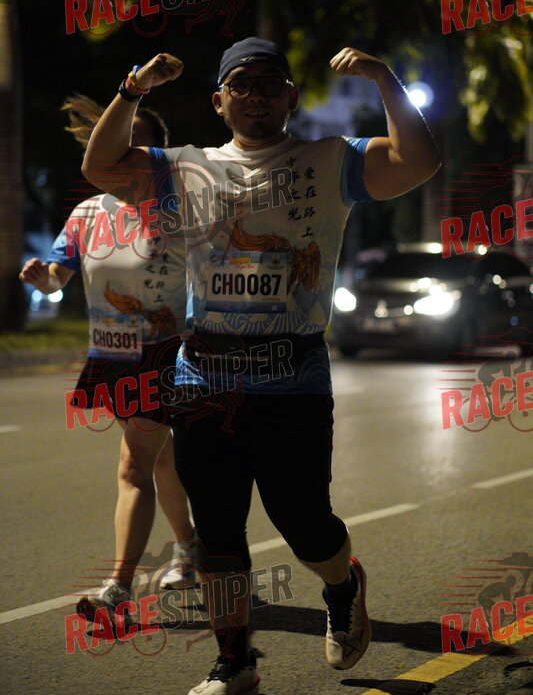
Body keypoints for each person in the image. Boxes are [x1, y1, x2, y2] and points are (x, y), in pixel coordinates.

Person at [81, 39, 441, 695]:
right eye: (240, 85)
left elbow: (418, 161)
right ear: (219, 101)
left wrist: (383, 77)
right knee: (217, 533)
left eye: (269, 84)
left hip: (292, 376)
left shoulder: (329, 160)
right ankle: (234, 662)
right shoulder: (186, 167)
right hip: (203, 375)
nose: (255, 96)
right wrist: (133, 90)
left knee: (305, 525)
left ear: (290, 98)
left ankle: (341, 583)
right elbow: (100, 166)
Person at [20, 98, 196, 621]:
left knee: (133, 466)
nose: (125, 148)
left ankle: (118, 587)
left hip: (164, 354)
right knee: (160, 460)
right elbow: (58, 277)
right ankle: (190, 550)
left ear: (157, 153)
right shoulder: (88, 214)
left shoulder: (182, 211)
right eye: (118, 138)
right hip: (110, 355)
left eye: (137, 140)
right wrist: (42, 279)